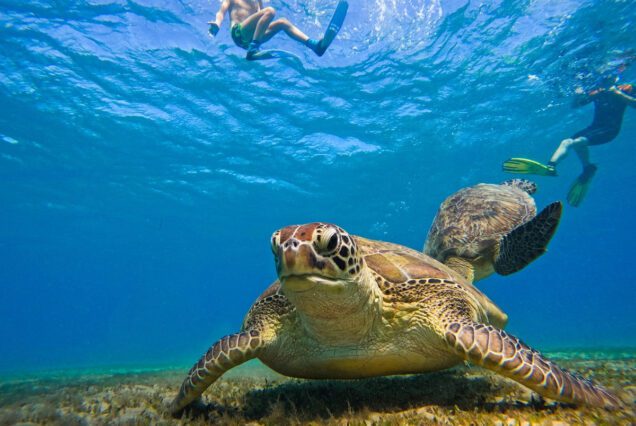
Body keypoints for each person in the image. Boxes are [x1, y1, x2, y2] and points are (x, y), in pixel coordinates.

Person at [503, 79, 636, 207]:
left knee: (577, 142)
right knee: (567, 141)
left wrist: (617, 93)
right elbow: (576, 104)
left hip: (609, 130)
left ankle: (585, 167)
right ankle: (553, 167)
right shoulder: (598, 91)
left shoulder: (626, 88)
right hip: (594, 127)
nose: (605, 79)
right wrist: (582, 94)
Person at [208, 0, 330, 60]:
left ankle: (315, 46)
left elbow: (262, 18)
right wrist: (217, 24)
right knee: (270, 11)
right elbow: (221, 12)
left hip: (252, 37)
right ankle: (253, 49)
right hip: (239, 33)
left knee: (282, 22)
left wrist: (268, 29)